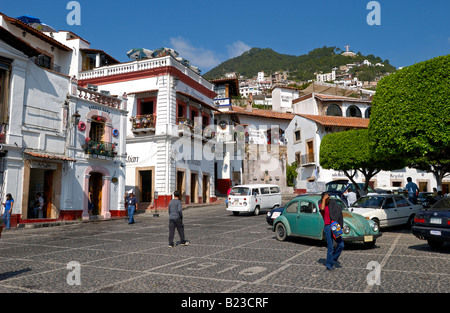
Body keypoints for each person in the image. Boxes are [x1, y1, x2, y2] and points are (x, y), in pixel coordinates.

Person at [320, 192, 344, 271]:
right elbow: (322, 209)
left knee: (341, 245)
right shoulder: (321, 205)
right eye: (326, 199)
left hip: (335, 225)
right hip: (327, 227)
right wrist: (323, 200)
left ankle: (332, 259)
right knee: (330, 247)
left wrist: (340, 226)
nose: (328, 200)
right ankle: (329, 265)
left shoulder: (332, 204)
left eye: (328, 198)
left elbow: (338, 213)